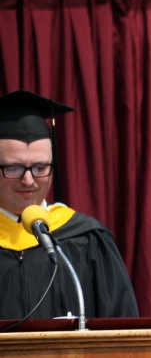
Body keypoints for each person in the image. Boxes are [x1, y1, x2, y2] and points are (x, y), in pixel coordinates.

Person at [0, 89, 138, 321]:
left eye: (40, 168)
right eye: (13, 168)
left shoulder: (87, 238)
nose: (28, 180)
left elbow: (121, 331)